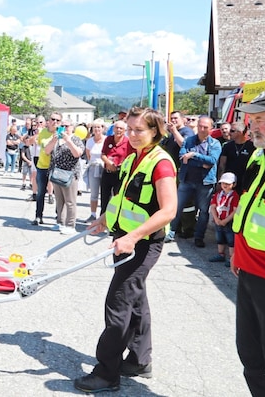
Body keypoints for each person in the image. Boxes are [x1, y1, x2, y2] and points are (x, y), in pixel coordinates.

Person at [73, 107, 177, 393]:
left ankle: (107, 373)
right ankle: (140, 361)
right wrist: (105, 218)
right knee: (136, 300)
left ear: (155, 131)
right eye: (129, 129)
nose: (131, 135)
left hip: (141, 244)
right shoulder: (134, 157)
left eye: (138, 130)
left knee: (118, 304)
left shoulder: (161, 163)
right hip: (125, 239)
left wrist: (133, 236)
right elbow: (124, 197)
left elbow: (169, 210)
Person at [230, 90, 265, 396]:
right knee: (251, 356)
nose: (253, 127)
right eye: (252, 120)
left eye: (260, 120)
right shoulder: (258, 156)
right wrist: (237, 250)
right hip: (248, 272)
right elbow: (247, 209)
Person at [165, 116, 222, 247]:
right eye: (200, 126)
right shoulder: (189, 140)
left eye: (205, 127)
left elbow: (212, 161)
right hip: (187, 180)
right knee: (177, 207)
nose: (202, 129)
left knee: (202, 212)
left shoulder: (215, 144)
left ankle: (199, 237)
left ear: (211, 129)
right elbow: (182, 157)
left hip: (205, 182)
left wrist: (193, 155)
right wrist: (201, 162)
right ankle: (171, 233)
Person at [49, 119, 84, 234]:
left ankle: (70, 225)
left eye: (66, 126)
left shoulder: (75, 139)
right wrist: (53, 140)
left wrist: (68, 141)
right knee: (59, 200)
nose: (64, 128)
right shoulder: (57, 139)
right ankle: (60, 222)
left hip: (70, 174)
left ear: (72, 127)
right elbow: (46, 151)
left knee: (70, 201)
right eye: (62, 126)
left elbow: (77, 153)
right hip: (57, 173)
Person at [100, 120, 133, 216]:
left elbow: (130, 157)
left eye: (121, 128)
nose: (118, 130)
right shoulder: (108, 139)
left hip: (119, 174)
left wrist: (120, 165)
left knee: (117, 198)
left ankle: (115, 218)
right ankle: (102, 219)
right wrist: (109, 163)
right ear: (113, 128)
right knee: (104, 198)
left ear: (125, 130)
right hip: (107, 172)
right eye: (117, 128)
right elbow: (103, 154)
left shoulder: (128, 142)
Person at [32, 114, 59, 225]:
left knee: (58, 193)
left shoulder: (61, 133)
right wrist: (53, 140)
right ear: (48, 121)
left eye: (58, 120)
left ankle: (59, 216)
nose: (55, 121)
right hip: (43, 165)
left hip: (57, 166)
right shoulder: (43, 132)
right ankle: (38, 216)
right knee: (40, 192)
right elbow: (45, 147)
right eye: (53, 119)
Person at [207, 172, 238, 267]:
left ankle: (231, 258)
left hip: (228, 222)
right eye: (223, 183)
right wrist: (216, 219)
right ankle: (220, 254)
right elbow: (213, 207)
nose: (225, 185)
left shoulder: (235, 196)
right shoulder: (218, 194)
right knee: (219, 238)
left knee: (230, 240)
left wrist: (225, 221)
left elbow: (235, 211)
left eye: (228, 184)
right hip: (218, 220)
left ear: (234, 184)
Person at [217, 121, 255, 190]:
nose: (229, 133)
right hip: (229, 182)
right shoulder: (227, 146)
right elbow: (222, 165)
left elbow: (253, 166)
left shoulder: (252, 147)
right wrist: (220, 181)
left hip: (245, 182)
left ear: (240, 132)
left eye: (232, 131)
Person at [85, 119, 106, 223]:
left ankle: (104, 216)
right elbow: (88, 155)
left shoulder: (106, 140)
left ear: (103, 128)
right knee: (94, 193)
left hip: (104, 168)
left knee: (105, 193)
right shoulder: (89, 141)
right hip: (93, 167)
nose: (97, 129)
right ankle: (93, 214)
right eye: (95, 127)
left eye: (99, 127)